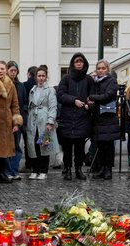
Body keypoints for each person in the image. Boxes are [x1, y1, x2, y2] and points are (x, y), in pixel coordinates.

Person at [56, 52, 92, 180]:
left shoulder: (88, 79)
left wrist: (89, 104)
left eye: (81, 61)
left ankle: (78, 169)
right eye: (76, 61)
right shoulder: (66, 78)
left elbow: (92, 96)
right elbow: (60, 95)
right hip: (67, 118)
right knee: (67, 146)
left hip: (82, 117)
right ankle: (67, 168)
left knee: (79, 147)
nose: (79, 63)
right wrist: (74, 100)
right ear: (73, 63)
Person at [88, 59, 121, 179]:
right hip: (98, 117)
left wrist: (92, 97)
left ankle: (108, 169)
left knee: (108, 145)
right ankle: (101, 168)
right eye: (99, 68)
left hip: (108, 117)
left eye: (103, 68)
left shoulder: (111, 81)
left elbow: (108, 96)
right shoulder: (95, 82)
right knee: (100, 144)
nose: (101, 71)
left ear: (107, 69)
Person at [26, 65, 59, 179]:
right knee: (33, 144)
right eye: (39, 76)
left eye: (43, 76)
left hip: (44, 119)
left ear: (46, 77)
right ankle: (35, 169)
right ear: (36, 77)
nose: (41, 78)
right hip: (33, 119)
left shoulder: (50, 90)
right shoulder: (33, 90)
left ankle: (44, 171)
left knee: (44, 144)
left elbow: (53, 106)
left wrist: (50, 121)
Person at [6, 61, 28, 180]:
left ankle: (14, 170)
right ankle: (7, 171)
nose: (13, 73)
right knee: (7, 147)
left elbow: (24, 102)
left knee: (16, 146)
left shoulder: (20, 86)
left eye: (15, 71)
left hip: (17, 120)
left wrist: (21, 117)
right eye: (11, 70)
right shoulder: (3, 84)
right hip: (6, 120)